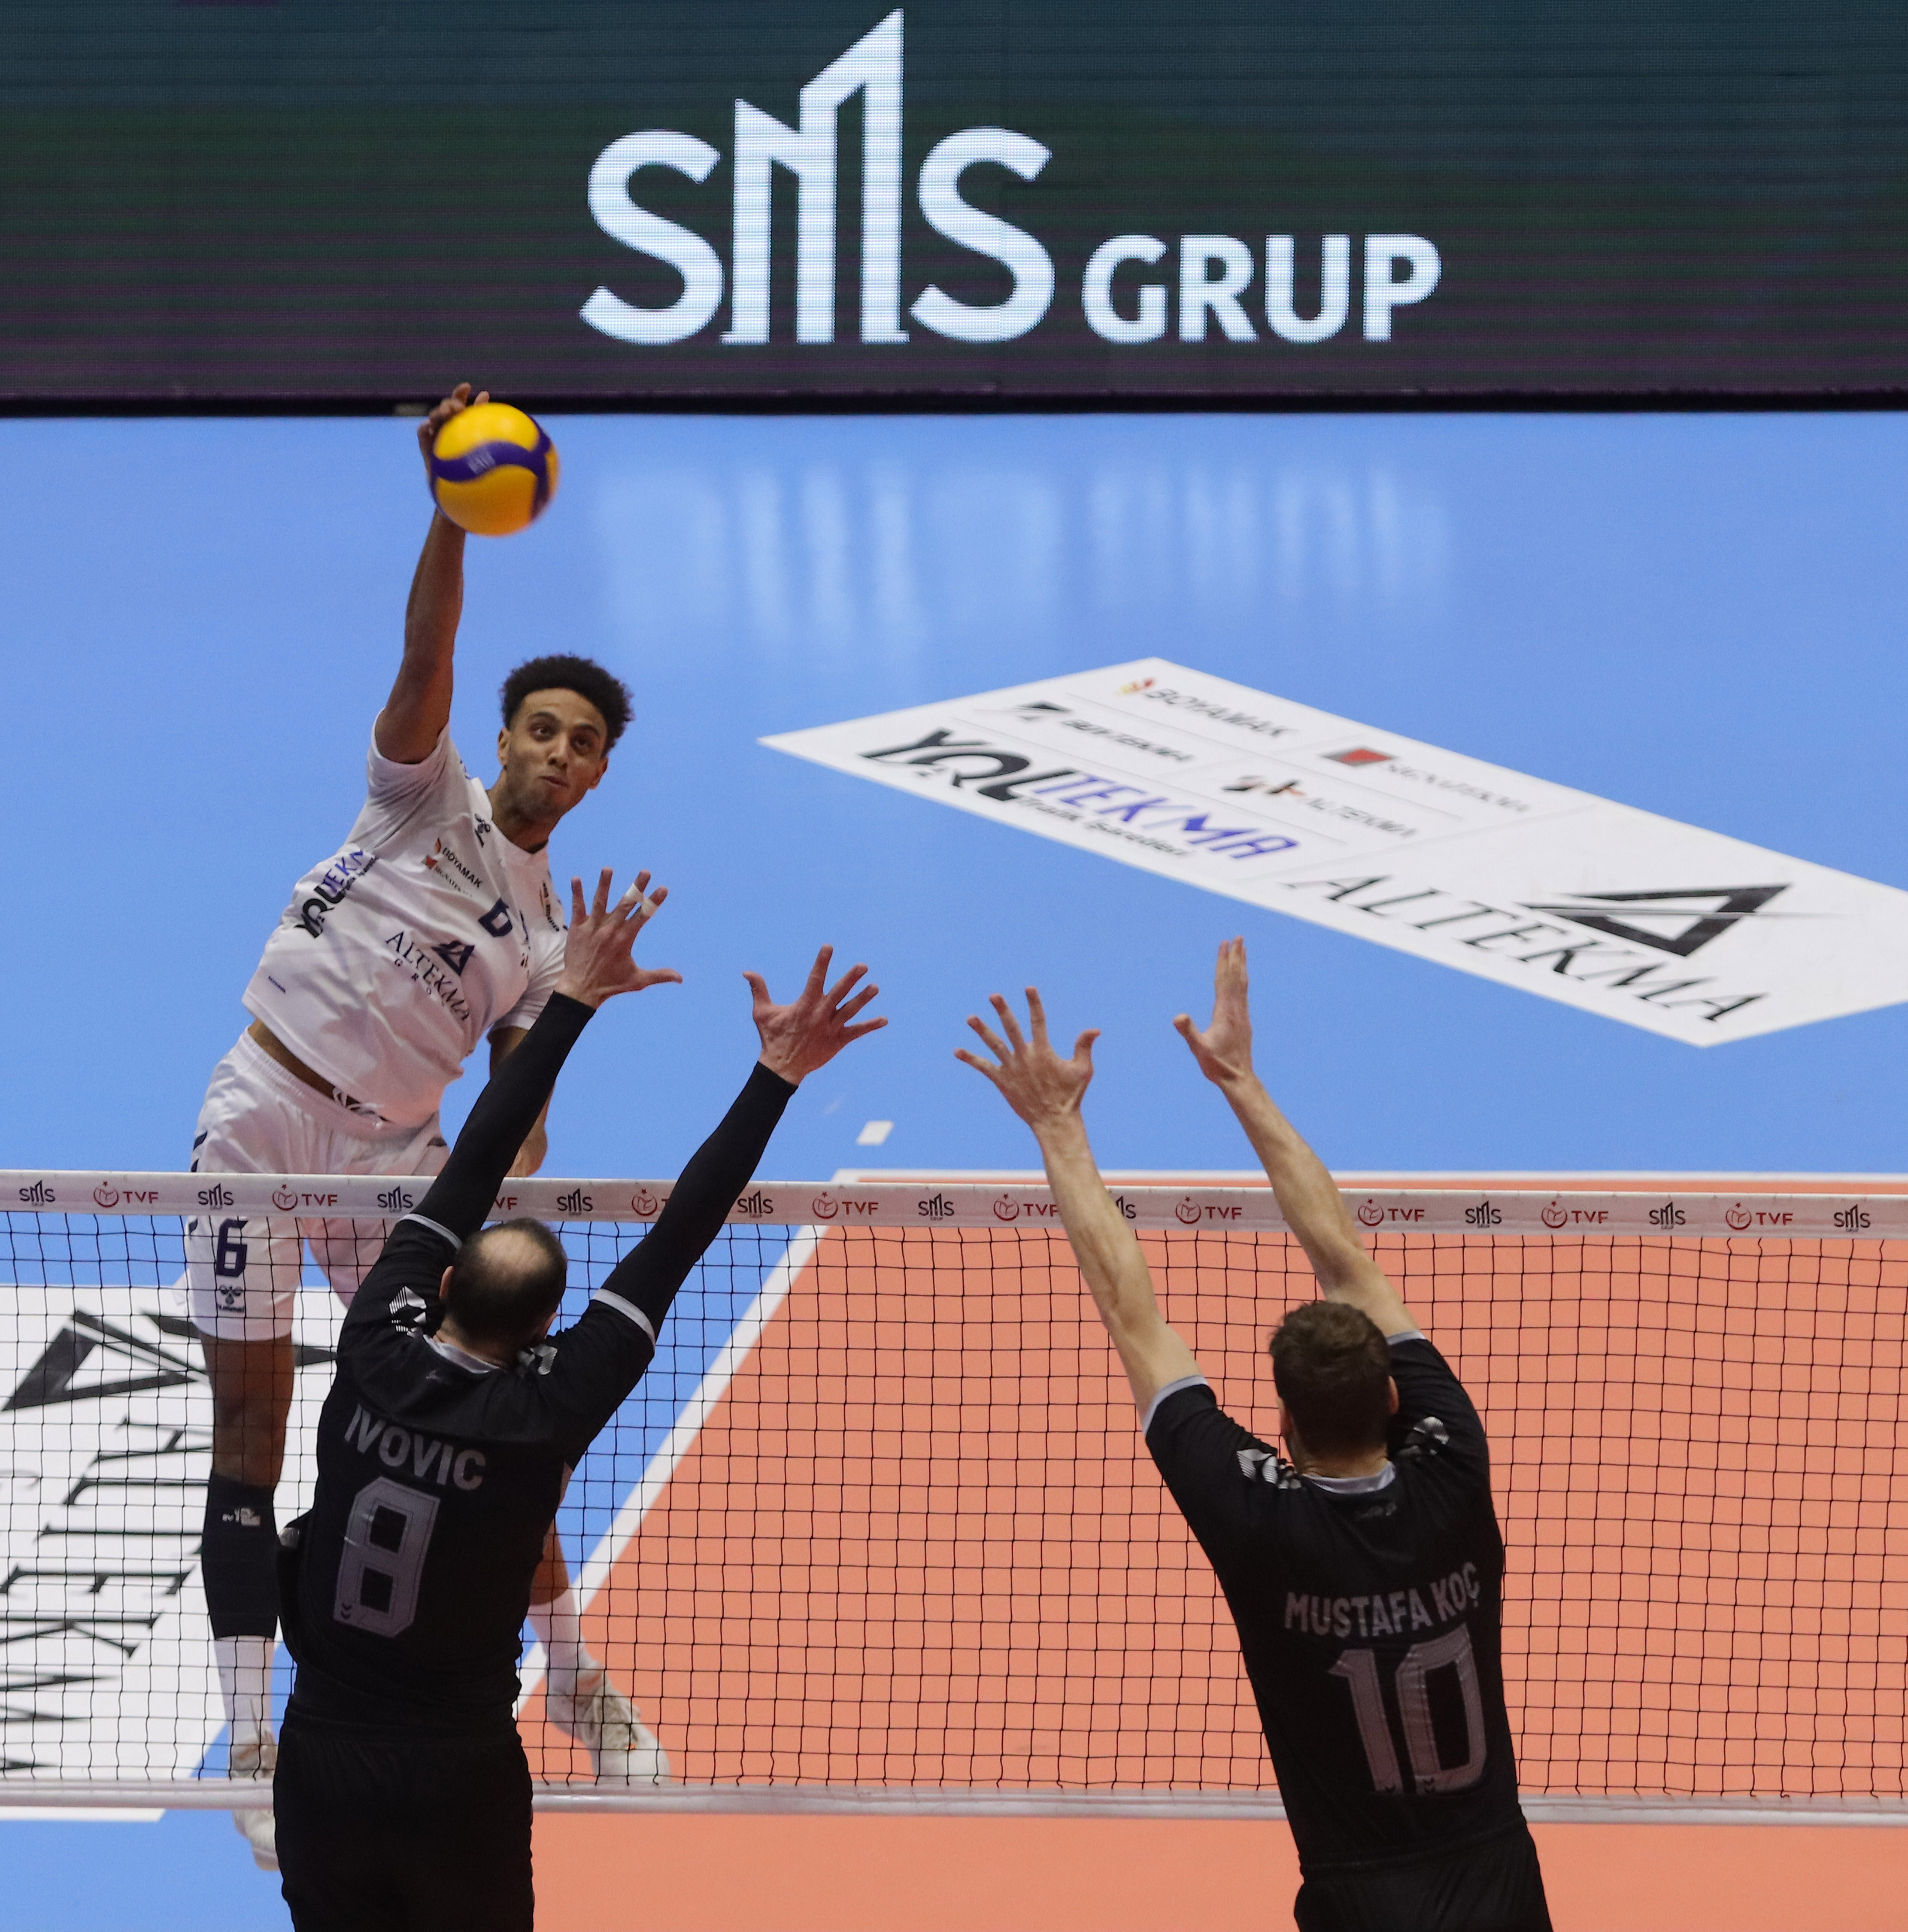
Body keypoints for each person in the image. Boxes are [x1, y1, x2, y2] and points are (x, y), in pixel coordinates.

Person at [182, 385, 647, 1868]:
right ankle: (251, 1739)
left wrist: (565, 1037)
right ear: (502, 736)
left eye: (583, 744)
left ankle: (572, 1675)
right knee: (251, 1429)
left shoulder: (544, 934)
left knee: (485, 1419)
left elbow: (524, 1124)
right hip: (262, 1120)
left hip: (393, 1167)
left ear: (597, 773)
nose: (558, 753)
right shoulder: (416, 795)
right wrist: (448, 512)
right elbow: (425, 651)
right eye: (542, 728)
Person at [274, 873, 884, 1932]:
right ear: (551, 1328)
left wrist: (574, 998)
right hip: (457, 1769)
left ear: (444, 1285)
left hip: (322, 1755)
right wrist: (776, 1074)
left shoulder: (372, 1340)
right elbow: (677, 1238)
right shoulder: (549, 1410)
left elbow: (475, 1158)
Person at [956, 939, 1551, 1932]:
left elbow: (1133, 1315)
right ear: (1394, 1401)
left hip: (1360, 1897)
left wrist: (1058, 1124)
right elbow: (1347, 1261)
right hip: (1500, 1876)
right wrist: (1239, 1076)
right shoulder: (1454, 1461)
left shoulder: (1258, 1522)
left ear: (1283, 1425)